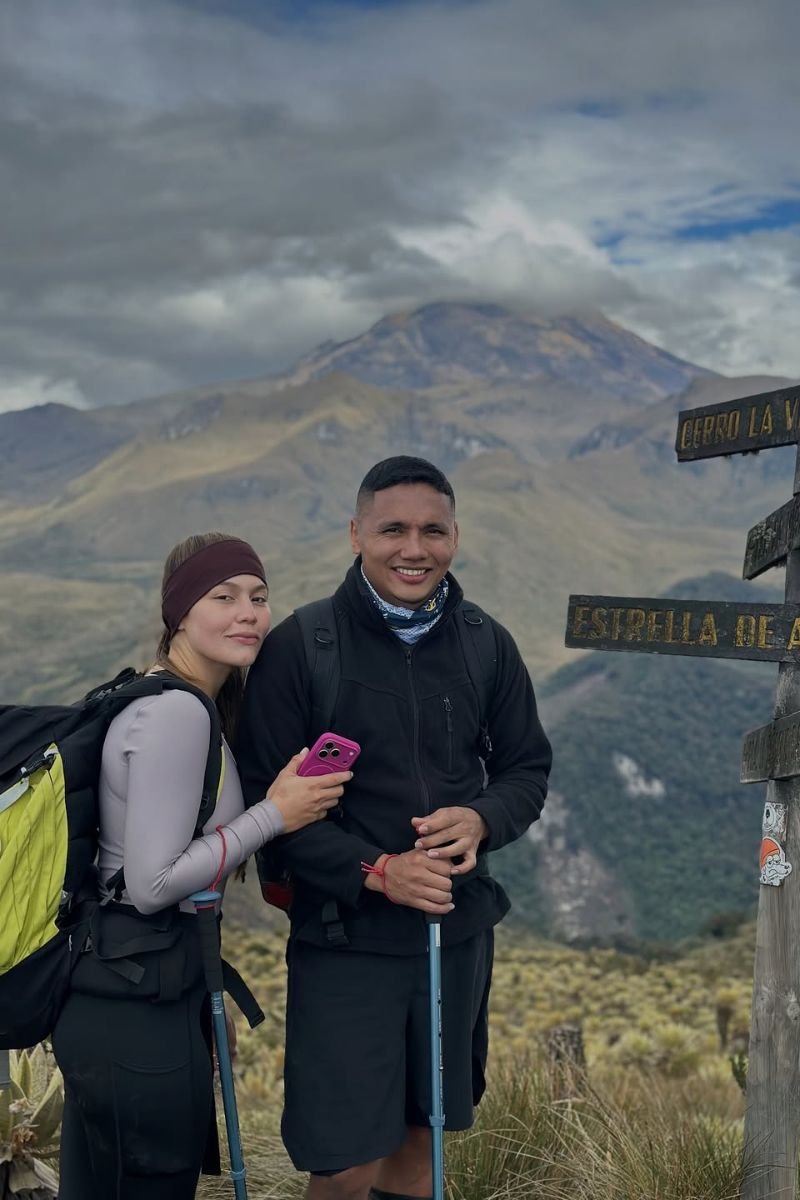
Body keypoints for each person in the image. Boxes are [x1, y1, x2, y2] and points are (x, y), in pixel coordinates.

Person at [237, 457, 552, 1200]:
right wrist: (378, 870)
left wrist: (481, 818)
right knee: (344, 1161)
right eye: (394, 530)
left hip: (456, 934)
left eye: (433, 531)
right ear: (356, 534)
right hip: (346, 942)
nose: (415, 549)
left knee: (424, 1135)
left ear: (455, 537)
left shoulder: (486, 644)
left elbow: (527, 771)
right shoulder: (302, 646)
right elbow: (263, 812)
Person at [52, 531, 353, 1200]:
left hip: (121, 992)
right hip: (136, 1001)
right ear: (180, 612)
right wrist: (277, 813)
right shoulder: (176, 716)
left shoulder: (167, 699)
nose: (248, 612)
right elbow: (152, 883)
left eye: (258, 596)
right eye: (223, 596)